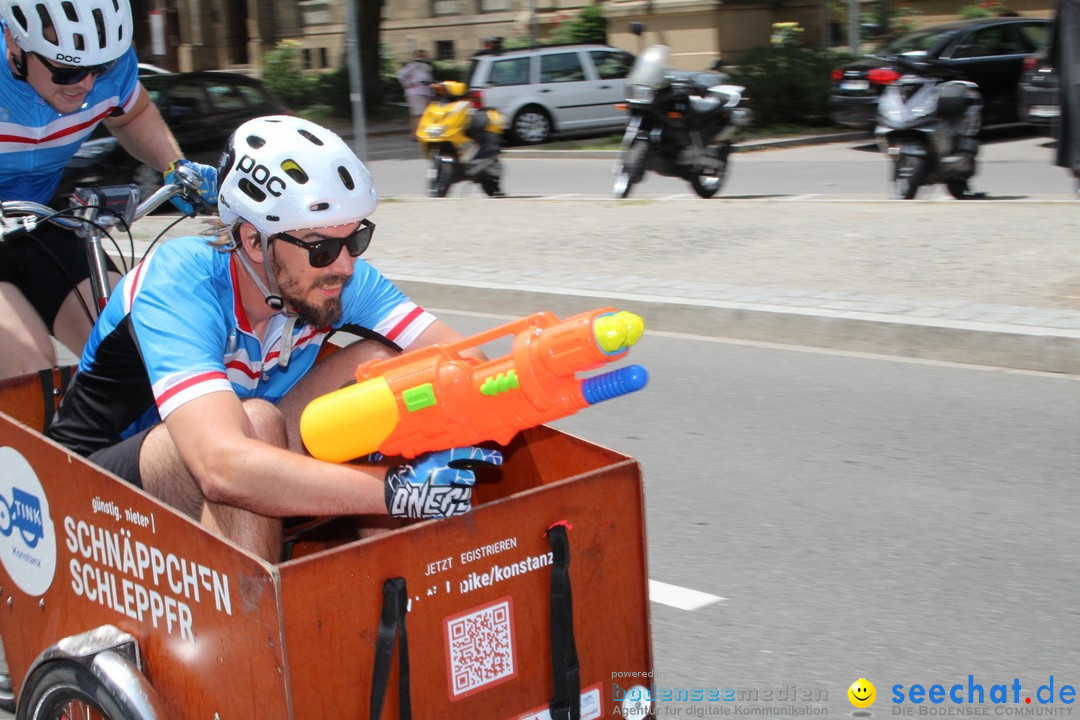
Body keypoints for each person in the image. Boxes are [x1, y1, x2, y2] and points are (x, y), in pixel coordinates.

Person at [45, 115, 503, 563]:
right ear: (251, 241)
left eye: (355, 240)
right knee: (257, 425)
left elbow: (465, 362)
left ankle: (399, 610)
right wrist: (394, 492)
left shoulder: (332, 277)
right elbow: (223, 466)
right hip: (90, 487)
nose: (344, 266)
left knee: (387, 370)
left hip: (237, 450)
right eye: (322, 248)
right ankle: (247, 637)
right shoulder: (181, 282)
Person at [0, 0, 218, 380]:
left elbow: (131, 114)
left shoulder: (110, 65)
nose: (86, 85)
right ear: (14, 44)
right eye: (68, 71)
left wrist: (174, 165)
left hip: (41, 215)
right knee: (30, 371)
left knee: (130, 343)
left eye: (98, 70)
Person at [396, 49, 434, 136]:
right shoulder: (413, 65)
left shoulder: (425, 67)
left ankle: (419, 133)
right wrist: (408, 84)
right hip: (416, 93)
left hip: (424, 93)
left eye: (425, 55)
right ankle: (416, 134)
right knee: (418, 114)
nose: (424, 57)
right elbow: (400, 74)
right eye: (422, 56)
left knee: (423, 114)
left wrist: (431, 94)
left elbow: (429, 81)